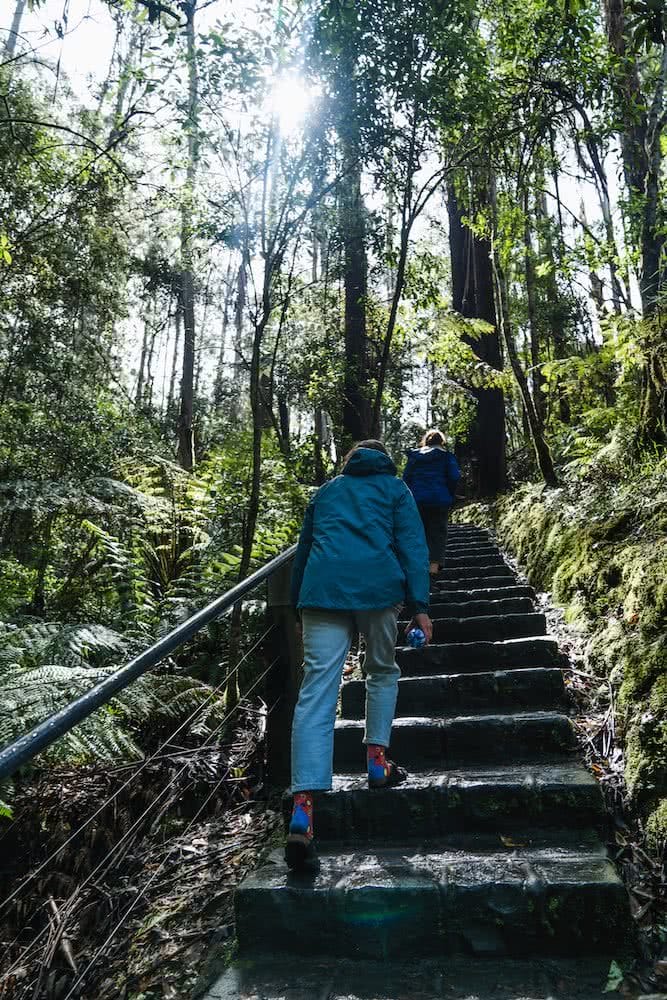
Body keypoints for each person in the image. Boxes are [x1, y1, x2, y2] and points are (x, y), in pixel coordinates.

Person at [286, 440, 432, 871]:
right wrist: (420, 606)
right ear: (384, 459)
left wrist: (299, 603)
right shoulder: (395, 489)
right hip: (377, 590)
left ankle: (303, 810)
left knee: (316, 692)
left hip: (321, 593)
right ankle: (376, 763)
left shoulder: (327, 491)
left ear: (349, 462)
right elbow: (413, 546)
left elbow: (305, 549)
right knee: (382, 671)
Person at [402, 429, 461, 576]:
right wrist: (449, 493)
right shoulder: (446, 457)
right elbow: (454, 476)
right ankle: (433, 567)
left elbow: (406, 478)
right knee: (438, 531)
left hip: (417, 500)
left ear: (426, 441)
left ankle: (417, 565)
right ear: (441, 442)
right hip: (439, 499)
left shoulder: (415, 457)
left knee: (419, 531)